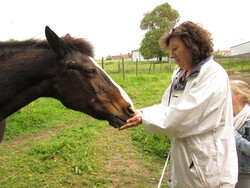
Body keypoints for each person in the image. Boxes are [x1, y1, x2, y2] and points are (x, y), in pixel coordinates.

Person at [119, 21, 238, 187]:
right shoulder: (181, 75)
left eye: (175, 49)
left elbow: (185, 116)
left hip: (207, 167)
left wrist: (144, 119)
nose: (172, 55)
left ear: (193, 46)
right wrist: (142, 113)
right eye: (170, 50)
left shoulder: (213, 75)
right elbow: (167, 107)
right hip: (186, 162)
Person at [230, 80, 250, 188]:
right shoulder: (228, 117)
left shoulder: (248, 120)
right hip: (229, 170)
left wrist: (233, 136)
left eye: (228, 92)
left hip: (244, 175)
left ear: (237, 98)